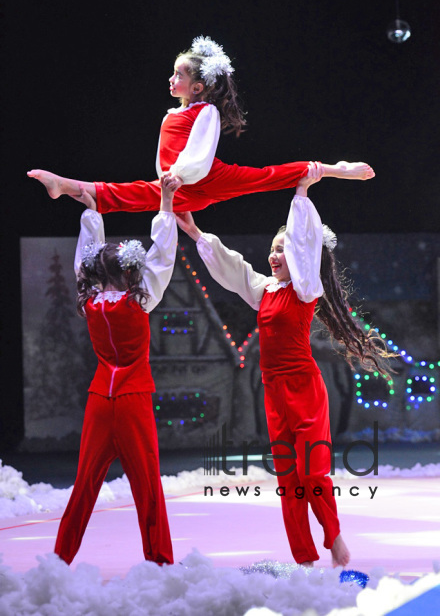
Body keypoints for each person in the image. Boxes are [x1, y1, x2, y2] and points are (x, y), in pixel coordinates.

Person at [175, 166, 392, 568]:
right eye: (272, 250)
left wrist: (301, 193)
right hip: (274, 393)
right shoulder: (265, 291)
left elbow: (304, 243)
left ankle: (334, 536)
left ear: (299, 255)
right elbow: (234, 270)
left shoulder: (307, 289)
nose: (274, 255)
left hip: (305, 390)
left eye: (283, 249)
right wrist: (194, 233)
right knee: (288, 481)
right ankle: (304, 558)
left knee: (312, 474)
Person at [27, 35, 374, 214]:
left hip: (206, 177)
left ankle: (336, 169)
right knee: (132, 194)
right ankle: (68, 186)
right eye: (173, 72)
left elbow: (199, 151)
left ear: (197, 87)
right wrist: (170, 181)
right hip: (182, 187)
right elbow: (163, 159)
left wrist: (178, 175)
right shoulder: (171, 115)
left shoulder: (204, 111)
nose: (171, 78)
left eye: (179, 74)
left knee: (269, 177)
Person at [53, 176, 178, 567]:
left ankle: (61, 558)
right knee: (147, 487)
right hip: (133, 397)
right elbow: (163, 257)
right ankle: (159, 561)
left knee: (84, 486)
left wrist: (92, 211)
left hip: (99, 400)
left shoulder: (89, 300)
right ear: (128, 274)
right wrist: (167, 203)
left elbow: (82, 259)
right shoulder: (138, 301)